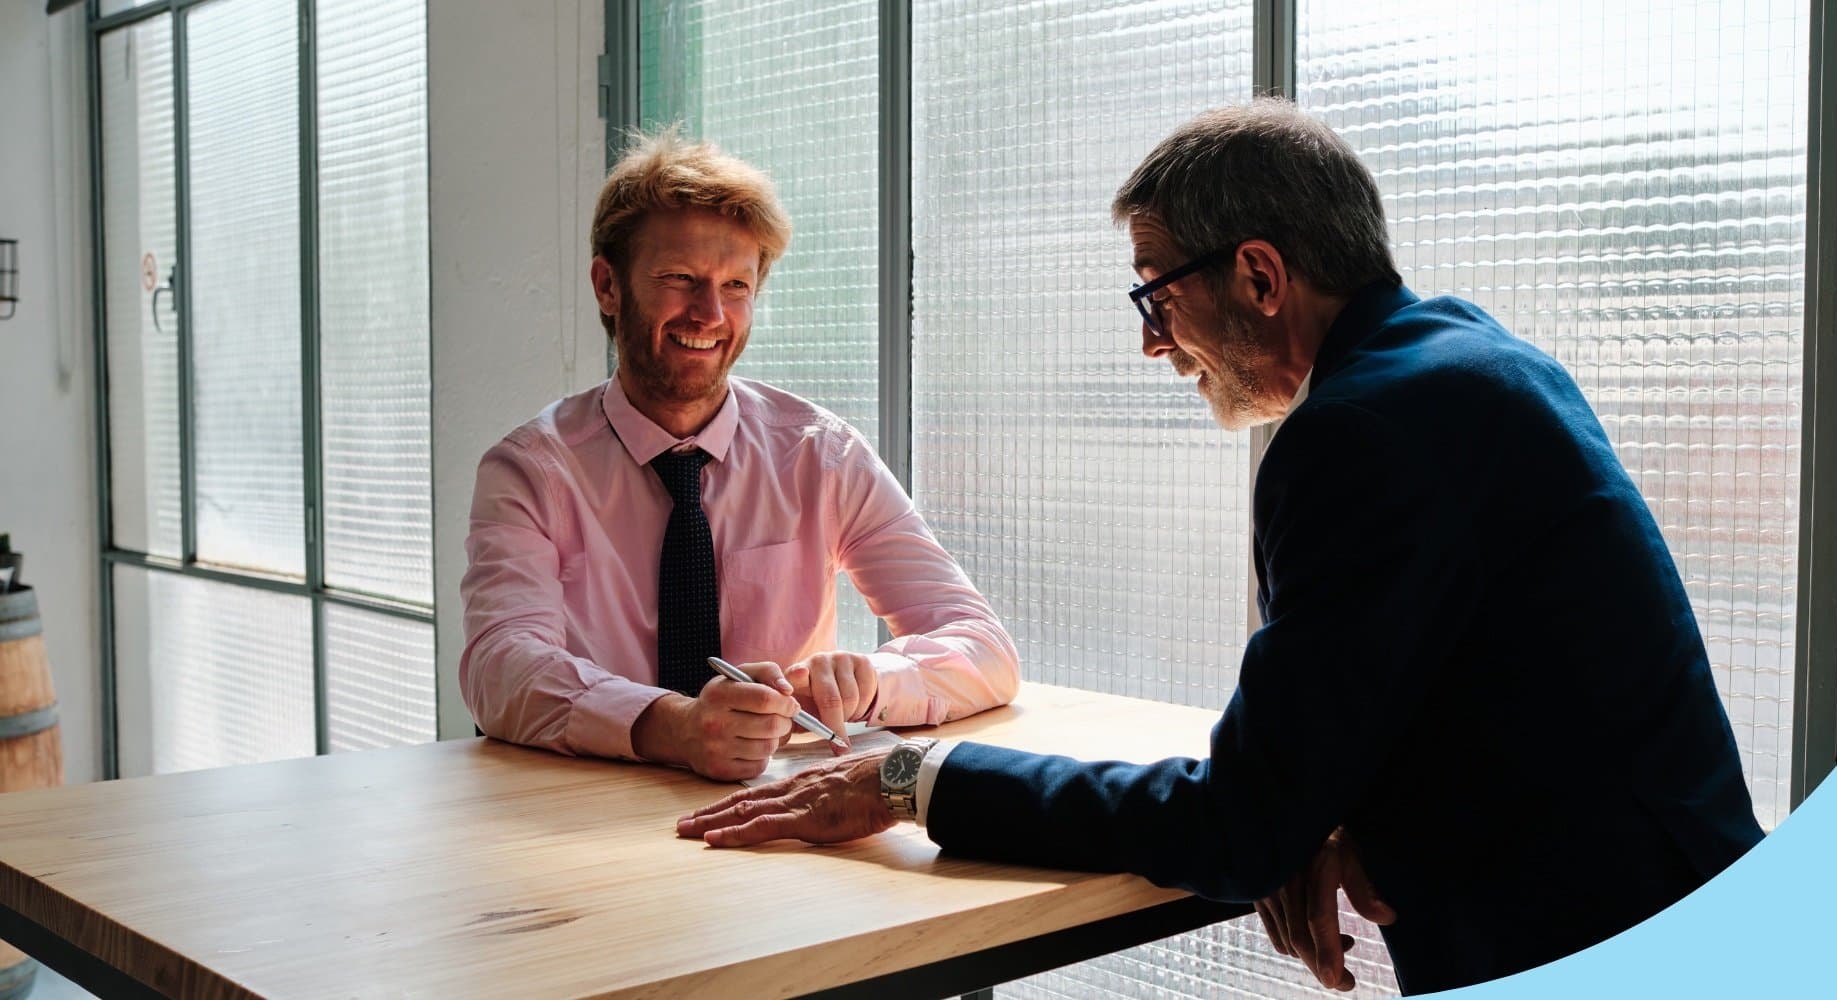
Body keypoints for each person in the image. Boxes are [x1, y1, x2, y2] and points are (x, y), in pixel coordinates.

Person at [676, 99, 1766, 994]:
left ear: (1257, 275)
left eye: (1155, 291)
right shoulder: (1467, 355)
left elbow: (1234, 823)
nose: (1152, 343)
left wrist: (911, 779)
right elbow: (1473, 688)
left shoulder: (1356, 435)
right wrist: (1319, 816)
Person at [460, 130, 1019, 782]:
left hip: (778, 815)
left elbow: (985, 648)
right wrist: (674, 726)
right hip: (588, 819)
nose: (709, 314)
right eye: (680, 279)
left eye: (735, 286)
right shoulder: (532, 470)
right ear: (607, 286)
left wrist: (871, 681)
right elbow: (500, 666)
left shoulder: (820, 455)